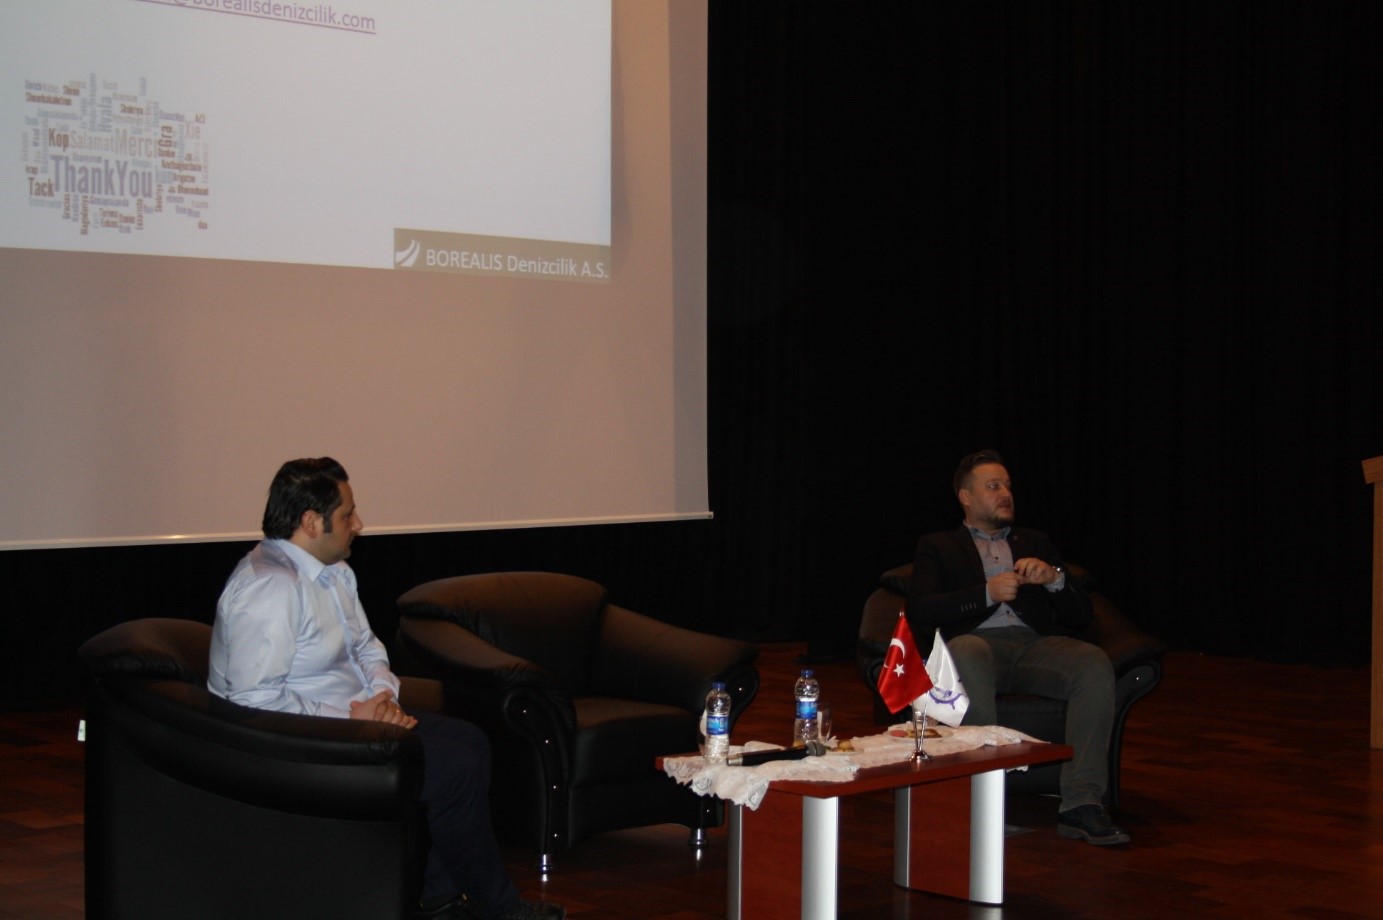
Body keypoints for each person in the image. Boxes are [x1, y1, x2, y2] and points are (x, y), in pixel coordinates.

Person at [208, 457, 565, 919]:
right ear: (311, 522)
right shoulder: (271, 589)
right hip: (300, 743)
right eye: (347, 515)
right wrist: (351, 720)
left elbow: (366, 647)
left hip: (355, 722)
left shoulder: (332, 570)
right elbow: (252, 701)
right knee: (453, 767)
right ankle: (498, 907)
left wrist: (383, 700)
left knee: (471, 741)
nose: (359, 524)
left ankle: (438, 894)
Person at [905, 449, 1129, 846]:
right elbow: (921, 610)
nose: (1005, 494)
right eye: (993, 486)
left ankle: (1081, 803)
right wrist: (985, 594)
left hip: (1033, 646)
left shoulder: (1036, 541)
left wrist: (1055, 580)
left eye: (1007, 486)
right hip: (976, 643)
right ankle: (982, 801)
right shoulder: (937, 545)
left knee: (1092, 662)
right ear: (966, 497)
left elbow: (1081, 614)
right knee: (967, 652)